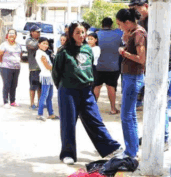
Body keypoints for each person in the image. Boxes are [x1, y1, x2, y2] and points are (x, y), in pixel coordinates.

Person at [52, 21, 122, 165]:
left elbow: (90, 68)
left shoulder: (88, 49)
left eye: (83, 32)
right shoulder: (63, 52)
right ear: (71, 34)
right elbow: (56, 73)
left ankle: (110, 148)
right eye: (77, 32)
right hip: (68, 91)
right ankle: (68, 153)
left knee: (95, 119)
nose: (81, 35)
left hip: (86, 91)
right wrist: (63, 89)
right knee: (68, 123)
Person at [116, 8, 146, 159]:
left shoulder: (139, 34)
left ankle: (130, 151)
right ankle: (132, 149)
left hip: (134, 77)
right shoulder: (134, 33)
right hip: (131, 77)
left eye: (120, 24)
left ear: (127, 22)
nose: (120, 27)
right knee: (130, 115)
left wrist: (124, 53)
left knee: (126, 115)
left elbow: (141, 59)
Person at [92, 17, 121, 115]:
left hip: (98, 66)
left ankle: (92, 109)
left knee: (96, 87)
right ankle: (113, 109)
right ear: (111, 25)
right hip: (113, 67)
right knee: (111, 87)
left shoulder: (96, 35)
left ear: (102, 24)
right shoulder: (118, 35)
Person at [129, 0, 149, 110]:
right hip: (145, 63)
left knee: (158, 100)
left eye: (136, 8)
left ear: (145, 6)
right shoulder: (140, 22)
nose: (134, 12)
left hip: (162, 65)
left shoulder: (157, 21)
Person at [0, 28, 23, 108]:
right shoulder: (4, 45)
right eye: (10, 33)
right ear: (7, 35)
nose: (11, 35)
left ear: (16, 36)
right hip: (6, 68)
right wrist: (3, 62)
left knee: (14, 85)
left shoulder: (18, 45)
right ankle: (6, 102)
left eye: (13, 33)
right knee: (7, 84)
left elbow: (20, 55)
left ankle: (13, 101)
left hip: (16, 68)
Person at [35, 37, 57, 121]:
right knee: (44, 95)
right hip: (46, 76)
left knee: (49, 96)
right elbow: (47, 66)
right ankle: (39, 114)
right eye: (43, 43)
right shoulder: (41, 53)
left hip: (49, 76)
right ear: (39, 44)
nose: (45, 45)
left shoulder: (43, 53)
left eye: (47, 44)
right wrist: (57, 68)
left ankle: (50, 113)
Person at [26, 25, 42, 109]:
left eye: (39, 32)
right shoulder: (29, 41)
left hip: (42, 68)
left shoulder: (40, 40)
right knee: (33, 86)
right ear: (32, 32)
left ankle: (40, 102)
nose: (39, 33)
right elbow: (34, 46)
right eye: (37, 32)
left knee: (40, 87)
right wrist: (41, 42)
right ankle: (32, 103)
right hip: (34, 67)